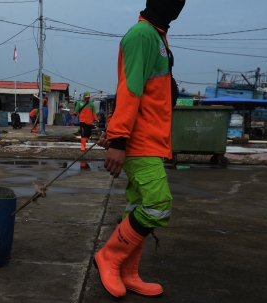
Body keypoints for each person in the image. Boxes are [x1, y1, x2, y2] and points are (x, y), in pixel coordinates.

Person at [93, 0, 185, 299]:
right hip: (139, 142)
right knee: (158, 206)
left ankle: (128, 273)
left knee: (137, 207)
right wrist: (118, 141)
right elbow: (129, 91)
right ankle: (109, 257)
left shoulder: (157, 35)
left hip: (152, 140)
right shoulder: (142, 35)